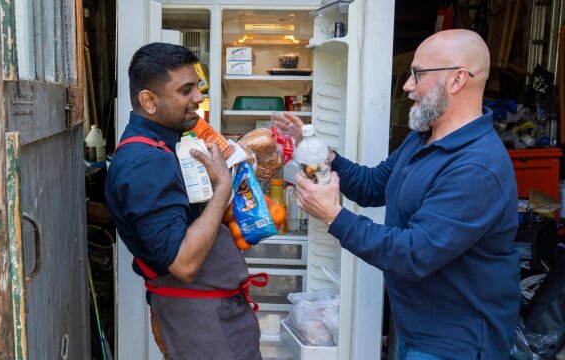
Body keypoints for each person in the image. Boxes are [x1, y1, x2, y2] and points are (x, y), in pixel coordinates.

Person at [278, 29, 520, 359]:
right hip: (415, 328)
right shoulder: (423, 138)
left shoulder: (478, 167)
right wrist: (321, 153)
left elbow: (413, 254)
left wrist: (332, 215)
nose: (407, 85)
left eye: (417, 74)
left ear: (457, 80)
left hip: (455, 342)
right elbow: (375, 185)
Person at [105, 42, 262, 360]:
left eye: (198, 87)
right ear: (148, 100)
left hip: (213, 311)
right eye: (186, 90)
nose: (199, 98)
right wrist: (222, 187)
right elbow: (183, 263)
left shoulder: (163, 145)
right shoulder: (147, 161)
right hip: (203, 322)